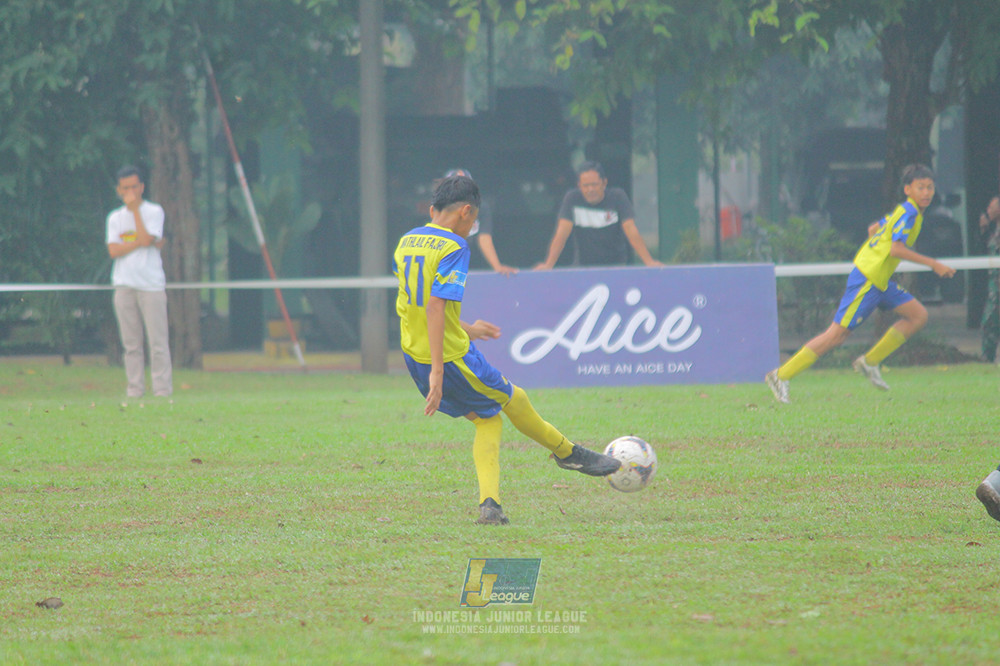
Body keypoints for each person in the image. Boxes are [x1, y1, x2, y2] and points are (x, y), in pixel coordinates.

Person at [393, 174, 620, 525]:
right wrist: (440, 370)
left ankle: (491, 506)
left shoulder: (407, 242)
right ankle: (568, 453)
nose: (470, 228)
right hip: (450, 359)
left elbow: (417, 305)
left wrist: (466, 327)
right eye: (473, 221)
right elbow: (435, 306)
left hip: (415, 354)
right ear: (466, 212)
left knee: (488, 419)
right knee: (515, 398)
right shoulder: (454, 247)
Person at [765, 164, 956, 404]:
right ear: (908, 189)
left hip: (879, 280)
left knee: (917, 315)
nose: (927, 192)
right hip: (868, 279)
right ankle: (781, 375)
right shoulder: (908, 213)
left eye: (930, 187)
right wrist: (933, 264)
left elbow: (873, 229)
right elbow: (897, 248)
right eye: (921, 187)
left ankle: (870, 361)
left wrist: (877, 254)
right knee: (836, 335)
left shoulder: (904, 210)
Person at [106, 165, 172, 398]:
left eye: (134, 187)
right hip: (124, 285)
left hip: (151, 285)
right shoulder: (114, 217)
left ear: (142, 187)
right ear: (119, 190)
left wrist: (135, 212)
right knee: (131, 344)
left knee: (158, 342)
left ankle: (162, 389)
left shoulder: (154, 211)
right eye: (126, 188)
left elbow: (147, 237)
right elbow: (114, 250)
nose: (130, 192)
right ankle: (135, 388)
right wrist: (138, 243)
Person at [534, 161, 664, 269]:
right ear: (579, 186)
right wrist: (548, 265)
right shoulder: (572, 199)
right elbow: (562, 233)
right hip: (583, 267)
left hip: (616, 266)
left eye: (594, 185)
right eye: (586, 186)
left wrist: (649, 262)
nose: (590, 189)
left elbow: (630, 230)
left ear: (604, 183)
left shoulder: (617, 197)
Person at [442, 169, 517, 276]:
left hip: (476, 267)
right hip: (448, 268)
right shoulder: (439, 208)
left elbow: (484, 238)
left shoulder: (480, 207)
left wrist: (497, 267)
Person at [978, 195, 1000, 362]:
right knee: (989, 325)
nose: (988, 211)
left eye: (991, 207)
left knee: (990, 323)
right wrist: (984, 230)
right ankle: (987, 359)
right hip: (994, 287)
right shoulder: (994, 230)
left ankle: (988, 357)